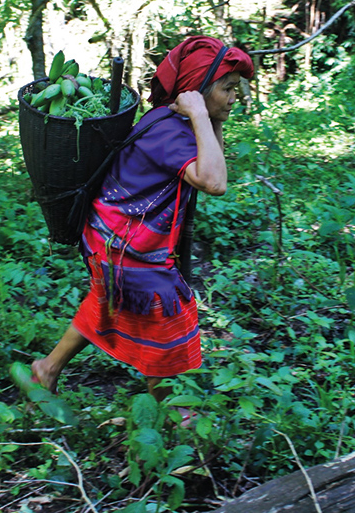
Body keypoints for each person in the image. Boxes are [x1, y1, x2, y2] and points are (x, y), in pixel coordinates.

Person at [28, 36, 254, 406]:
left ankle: (47, 369)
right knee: (164, 322)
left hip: (110, 237)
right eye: (228, 89)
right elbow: (215, 181)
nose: (235, 97)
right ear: (195, 92)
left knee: (105, 302)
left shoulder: (178, 122)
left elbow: (212, 159)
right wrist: (201, 113)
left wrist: (211, 117)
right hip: (123, 246)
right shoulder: (171, 129)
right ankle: (169, 415)